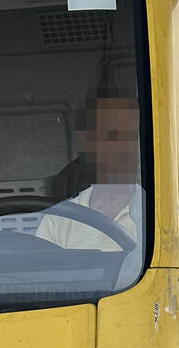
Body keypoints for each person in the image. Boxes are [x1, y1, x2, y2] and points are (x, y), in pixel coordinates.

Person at [36, 87, 144, 270]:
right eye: (112, 137)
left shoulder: (168, 212)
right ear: (86, 145)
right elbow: (41, 279)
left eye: (131, 137)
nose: (124, 148)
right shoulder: (59, 221)